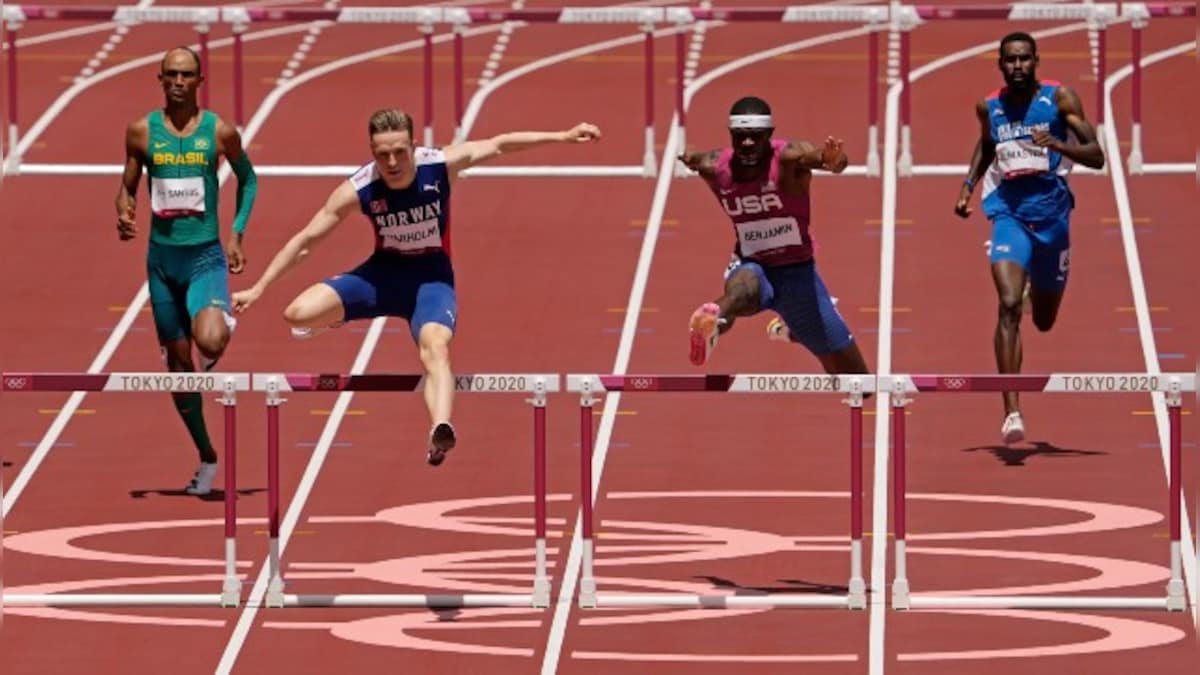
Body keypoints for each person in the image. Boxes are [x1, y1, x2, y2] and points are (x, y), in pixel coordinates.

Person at [231, 108, 601, 465]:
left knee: (435, 349)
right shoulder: (359, 188)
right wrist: (259, 287)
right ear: (372, 153)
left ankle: (440, 425)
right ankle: (336, 317)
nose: (392, 162)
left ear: (413, 147)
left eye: (399, 152)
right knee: (296, 314)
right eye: (382, 154)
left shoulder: (439, 164)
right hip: (382, 276)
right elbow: (307, 240)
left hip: (431, 281)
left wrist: (562, 136)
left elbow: (501, 143)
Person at [115, 46, 258, 495]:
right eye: (171, 75)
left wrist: (236, 232)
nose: (178, 81)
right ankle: (207, 457)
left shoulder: (220, 132)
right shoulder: (141, 131)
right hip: (160, 263)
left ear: (200, 81)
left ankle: (215, 325)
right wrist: (124, 211)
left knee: (210, 338)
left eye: (187, 75)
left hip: (204, 257)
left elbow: (249, 179)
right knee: (179, 368)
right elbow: (128, 185)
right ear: (160, 79)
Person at [954, 32, 1104, 444]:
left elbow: (1097, 155)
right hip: (1009, 214)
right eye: (1010, 61)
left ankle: (1032, 290)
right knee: (1006, 306)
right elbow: (987, 146)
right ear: (1000, 64)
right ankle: (1012, 412)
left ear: (1035, 61)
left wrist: (1056, 143)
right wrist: (969, 184)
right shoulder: (990, 106)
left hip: (1053, 218)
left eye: (1024, 60)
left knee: (1043, 320)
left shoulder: (1060, 100)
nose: (1017, 66)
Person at [677, 95, 871, 379]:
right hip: (752, 265)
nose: (747, 144)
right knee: (743, 290)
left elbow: (827, 159)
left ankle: (791, 330)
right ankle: (712, 322)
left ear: (769, 135)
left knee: (859, 382)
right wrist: (689, 156)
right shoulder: (715, 168)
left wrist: (833, 160)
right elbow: (696, 160)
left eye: (755, 137)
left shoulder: (790, 160)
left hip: (798, 276)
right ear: (731, 135)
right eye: (740, 137)